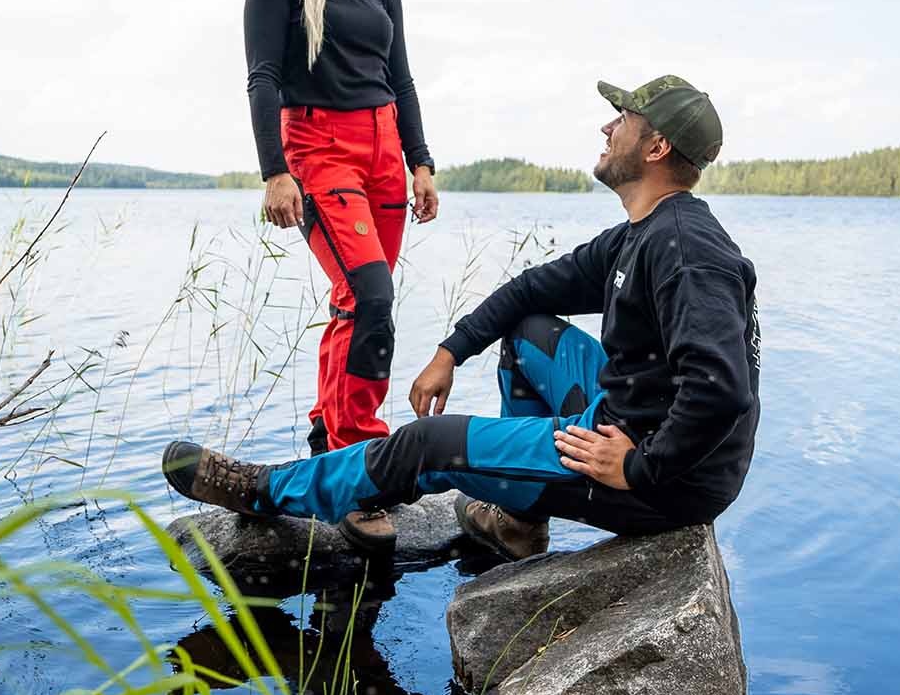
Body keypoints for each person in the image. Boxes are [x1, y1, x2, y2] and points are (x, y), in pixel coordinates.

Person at [163, 74, 760, 559]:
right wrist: (451, 351)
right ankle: (519, 521)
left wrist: (638, 467)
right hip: (633, 420)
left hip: (660, 477)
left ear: (656, 148)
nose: (607, 127)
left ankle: (263, 489)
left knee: (428, 446)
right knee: (527, 333)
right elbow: (530, 290)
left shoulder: (686, 249)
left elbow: (722, 389)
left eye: (623, 119)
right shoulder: (643, 233)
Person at [243, 0, 438, 551]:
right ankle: (359, 465)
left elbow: (402, 79)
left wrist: (421, 161)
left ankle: (329, 431)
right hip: (318, 148)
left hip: (385, 150)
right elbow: (263, 78)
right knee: (372, 296)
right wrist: (275, 172)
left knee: (357, 301)